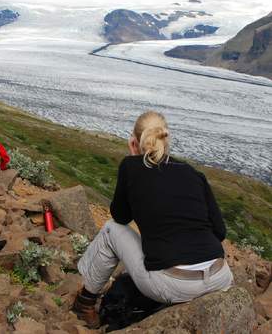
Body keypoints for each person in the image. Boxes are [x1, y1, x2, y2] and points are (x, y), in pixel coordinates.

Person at [72, 111, 234, 329]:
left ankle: (85, 303)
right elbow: (219, 232)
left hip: (173, 285)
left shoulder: (131, 167)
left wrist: (134, 159)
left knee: (111, 229)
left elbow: (120, 217)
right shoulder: (194, 174)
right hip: (220, 278)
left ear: (134, 142)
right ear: (166, 140)